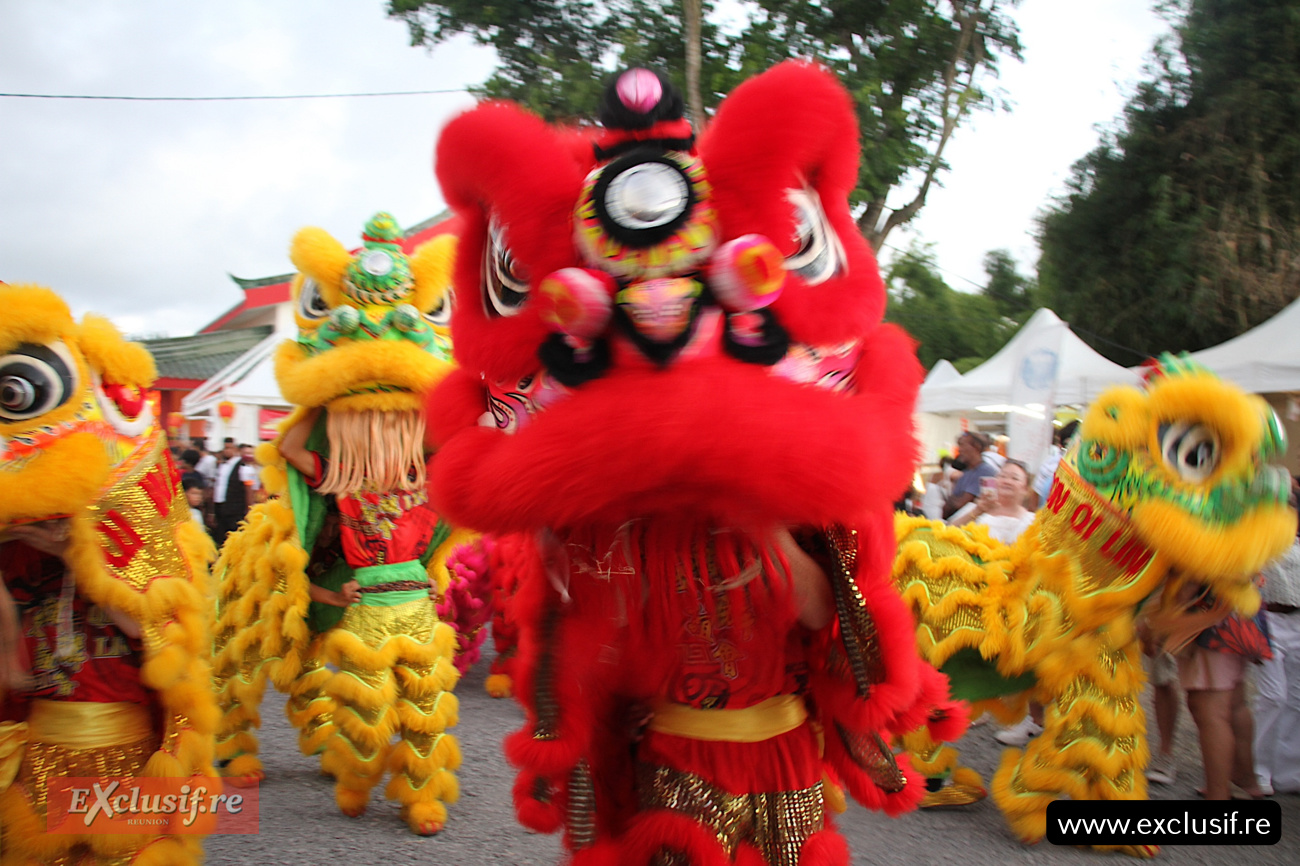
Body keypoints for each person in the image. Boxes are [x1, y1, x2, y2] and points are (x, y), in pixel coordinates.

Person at [1254, 494, 1300, 795]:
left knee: (1296, 700)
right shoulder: (1259, 543)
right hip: (1269, 621)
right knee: (1273, 695)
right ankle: (1257, 767)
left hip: (1297, 622)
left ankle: (1288, 773)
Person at [949, 458, 1035, 545]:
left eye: (1015, 478)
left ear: (1026, 489)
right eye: (1002, 476)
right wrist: (978, 511)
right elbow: (947, 534)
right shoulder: (974, 508)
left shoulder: (1032, 521)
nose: (1007, 481)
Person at [212, 442, 259, 546]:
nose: (227, 450)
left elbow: (249, 490)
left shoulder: (244, 468)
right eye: (225, 448)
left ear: (236, 450)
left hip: (236, 510)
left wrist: (249, 509)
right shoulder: (222, 466)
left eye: (230, 448)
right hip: (221, 508)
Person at [942, 431, 998, 519]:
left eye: (962, 445)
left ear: (977, 447)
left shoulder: (987, 472)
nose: (959, 450)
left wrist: (950, 502)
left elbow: (960, 504)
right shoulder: (966, 473)